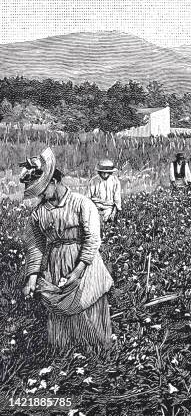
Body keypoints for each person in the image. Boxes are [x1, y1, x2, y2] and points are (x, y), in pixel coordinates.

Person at [19, 148, 113, 352]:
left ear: (54, 181)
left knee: (88, 307)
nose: (41, 196)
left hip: (84, 265)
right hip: (55, 266)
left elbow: (92, 239)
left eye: (42, 191)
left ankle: (97, 356)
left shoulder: (82, 203)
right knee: (61, 320)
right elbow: (35, 245)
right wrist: (32, 277)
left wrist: (78, 271)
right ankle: (65, 358)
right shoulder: (38, 213)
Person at [88, 159, 122, 226]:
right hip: (95, 208)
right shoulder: (93, 181)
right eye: (103, 172)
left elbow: (117, 198)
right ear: (99, 172)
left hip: (109, 208)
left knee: (107, 225)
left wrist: (115, 211)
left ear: (110, 172)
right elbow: (88, 197)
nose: (105, 174)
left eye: (107, 172)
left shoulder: (115, 181)